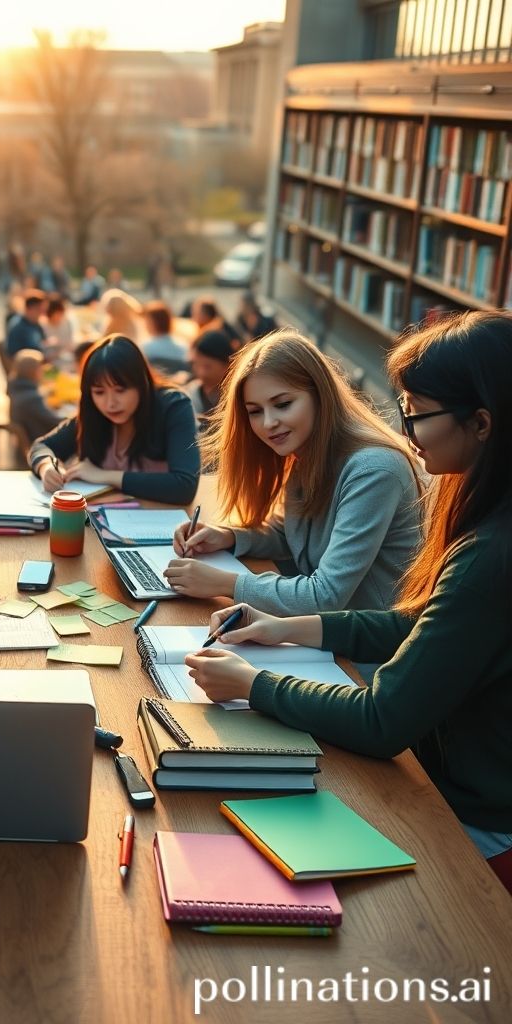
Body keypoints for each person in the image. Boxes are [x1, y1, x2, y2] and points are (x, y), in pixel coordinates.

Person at [183, 310, 512, 895]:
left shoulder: (489, 556)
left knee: (242, 836)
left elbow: (381, 720)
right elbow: (415, 624)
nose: (408, 434)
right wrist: (289, 629)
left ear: (482, 422)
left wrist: (251, 684)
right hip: (445, 769)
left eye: (416, 414)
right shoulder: (490, 528)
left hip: (473, 818)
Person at [163, 330, 421, 615]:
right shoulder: (309, 450)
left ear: (320, 395)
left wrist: (226, 583)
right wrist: (229, 537)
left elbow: (326, 595)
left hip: (366, 652)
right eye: (255, 411)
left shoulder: (373, 471)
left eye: (282, 404)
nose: (268, 422)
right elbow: (294, 535)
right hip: (325, 633)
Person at [29, 334, 199, 504]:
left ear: (141, 384)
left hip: (163, 523)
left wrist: (103, 476)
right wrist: (46, 467)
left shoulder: (173, 406)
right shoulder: (94, 413)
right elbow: (41, 446)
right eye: (99, 392)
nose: (110, 403)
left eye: (120, 390)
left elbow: (184, 486)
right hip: (97, 523)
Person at [7, 350, 63, 445]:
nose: (43, 372)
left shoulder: (17, 390)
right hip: (44, 444)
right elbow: (55, 422)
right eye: (41, 368)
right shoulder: (32, 399)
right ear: (33, 371)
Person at [184, 329, 236, 428]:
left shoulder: (236, 393)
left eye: (207, 365)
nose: (202, 360)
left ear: (226, 364)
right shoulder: (189, 392)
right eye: (196, 361)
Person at [139, 300, 190, 375]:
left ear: (152, 322)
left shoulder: (145, 348)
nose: (144, 324)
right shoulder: (184, 346)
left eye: (146, 320)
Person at [5, 289, 47, 358]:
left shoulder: (35, 324)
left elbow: (43, 341)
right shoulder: (19, 326)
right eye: (39, 309)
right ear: (30, 308)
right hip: (24, 364)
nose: (42, 313)